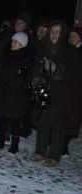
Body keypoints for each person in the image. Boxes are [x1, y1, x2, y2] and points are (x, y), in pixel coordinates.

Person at [30, 21, 80, 167]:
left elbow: (73, 72)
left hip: (61, 93)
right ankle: (40, 151)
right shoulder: (43, 48)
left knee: (58, 125)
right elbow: (36, 67)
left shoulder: (70, 51)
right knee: (43, 121)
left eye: (57, 32)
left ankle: (54, 155)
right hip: (44, 89)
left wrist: (55, 68)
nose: (54, 34)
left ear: (63, 34)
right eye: (52, 31)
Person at [0, 12, 32, 137]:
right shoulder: (5, 34)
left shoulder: (26, 40)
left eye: (22, 23)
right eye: (17, 21)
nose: (18, 24)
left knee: (9, 107)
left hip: (12, 80)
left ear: (26, 26)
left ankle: (6, 131)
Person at [0, 32, 34, 154]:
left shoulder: (26, 58)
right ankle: (0, 141)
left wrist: (11, 85)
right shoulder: (5, 54)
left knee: (15, 120)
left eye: (16, 42)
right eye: (13, 41)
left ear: (22, 45)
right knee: (2, 117)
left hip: (15, 93)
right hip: (2, 91)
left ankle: (14, 144)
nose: (13, 43)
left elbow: (23, 77)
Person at [64, 27, 82, 155]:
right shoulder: (66, 50)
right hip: (64, 88)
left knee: (73, 117)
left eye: (74, 36)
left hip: (77, 90)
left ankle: (64, 144)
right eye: (70, 36)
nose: (71, 39)